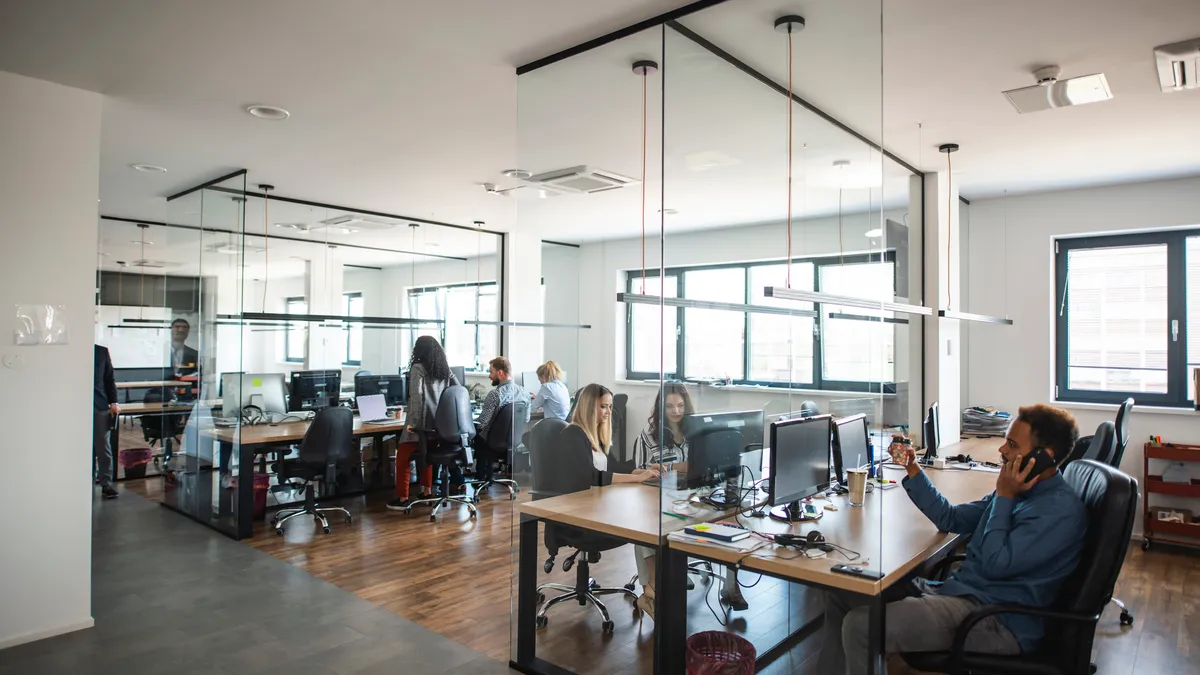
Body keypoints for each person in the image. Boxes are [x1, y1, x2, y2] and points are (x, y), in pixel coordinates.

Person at [821, 404, 1087, 675]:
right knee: (846, 591)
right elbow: (950, 519)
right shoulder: (1019, 489)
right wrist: (913, 468)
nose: (1002, 450)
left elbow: (996, 564)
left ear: (1043, 457)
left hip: (997, 619)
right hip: (961, 593)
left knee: (861, 627)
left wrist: (1005, 497)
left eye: (1012, 444)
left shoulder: (1057, 511)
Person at [630, 384, 747, 616]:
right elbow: (637, 472)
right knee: (645, 526)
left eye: (681, 405)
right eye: (670, 406)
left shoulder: (697, 430)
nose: (676, 411)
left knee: (732, 516)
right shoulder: (649, 434)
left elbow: (706, 463)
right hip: (662, 498)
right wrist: (660, 470)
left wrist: (676, 466)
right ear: (661, 407)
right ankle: (651, 589)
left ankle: (731, 586)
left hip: (697, 496)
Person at [565, 383, 660, 616]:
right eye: (603, 406)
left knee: (648, 517)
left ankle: (651, 589)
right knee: (643, 521)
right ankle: (651, 590)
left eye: (609, 406)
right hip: (582, 514)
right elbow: (592, 476)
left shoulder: (596, 435)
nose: (608, 412)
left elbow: (614, 467)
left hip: (601, 506)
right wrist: (636, 479)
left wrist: (642, 470)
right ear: (588, 406)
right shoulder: (573, 434)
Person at [387, 336, 459, 511]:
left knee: (403, 458)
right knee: (427, 456)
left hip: (421, 423)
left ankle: (403, 498)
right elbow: (459, 389)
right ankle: (426, 492)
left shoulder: (418, 368)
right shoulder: (444, 369)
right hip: (438, 425)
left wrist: (411, 424)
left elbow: (417, 398)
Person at [473, 356, 531, 483]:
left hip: (492, 443)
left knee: (474, 434)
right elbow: (526, 419)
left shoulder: (495, 394)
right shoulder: (524, 393)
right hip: (513, 442)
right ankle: (483, 476)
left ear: (500, 372)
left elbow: (482, 423)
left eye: (491, 372)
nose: (489, 376)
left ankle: (479, 478)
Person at [93, 344, 119, 499]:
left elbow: (109, 378)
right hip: (75, 407)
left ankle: (106, 483)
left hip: (100, 405)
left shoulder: (101, 351)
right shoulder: (72, 350)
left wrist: (114, 402)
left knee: (104, 446)